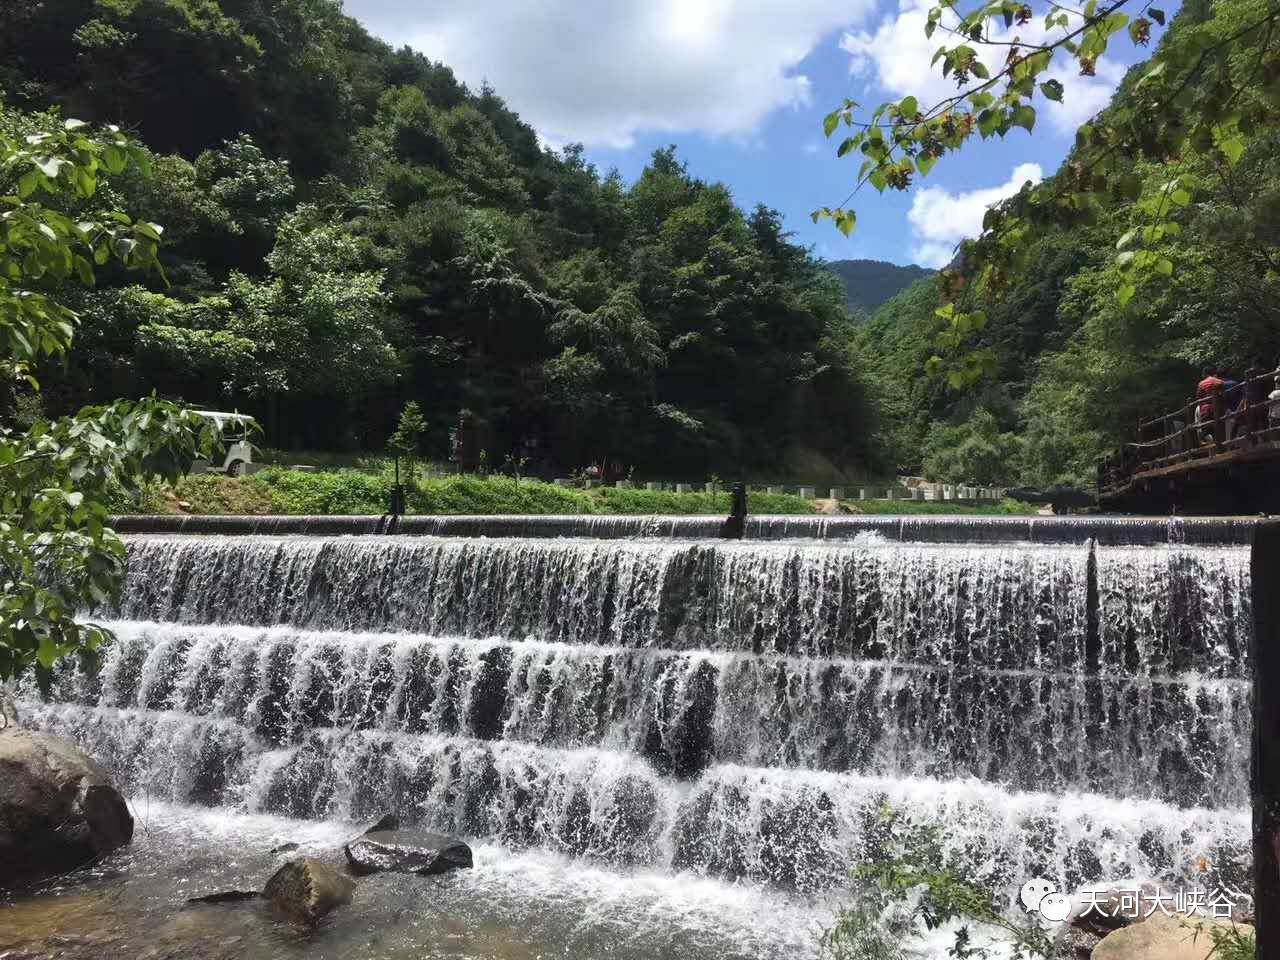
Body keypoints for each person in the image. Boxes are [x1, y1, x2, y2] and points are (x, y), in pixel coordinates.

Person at [1196, 366, 1226, 440]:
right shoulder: (1220, 382)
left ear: (1204, 374)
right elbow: (1224, 396)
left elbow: (1199, 399)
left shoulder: (1201, 384)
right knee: (1220, 429)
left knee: (1206, 429)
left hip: (1205, 410)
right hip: (1219, 408)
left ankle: (1205, 438)